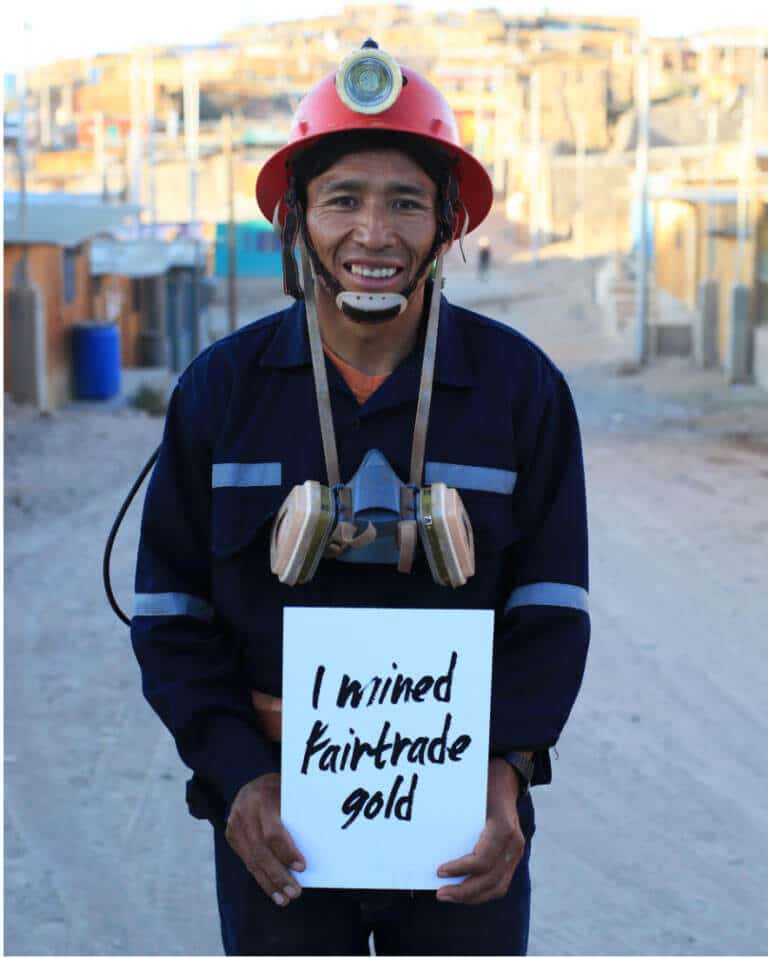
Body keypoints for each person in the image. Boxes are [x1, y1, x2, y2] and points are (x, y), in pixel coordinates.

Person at [131, 40, 589, 957]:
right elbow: (170, 612)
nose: (373, 234)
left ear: (448, 223)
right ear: (296, 220)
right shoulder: (220, 394)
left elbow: (551, 607)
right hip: (279, 829)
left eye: (406, 203)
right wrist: (238, 779)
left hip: (461, 830)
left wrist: (504, 771)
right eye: (342, 199)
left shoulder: (520, 390)